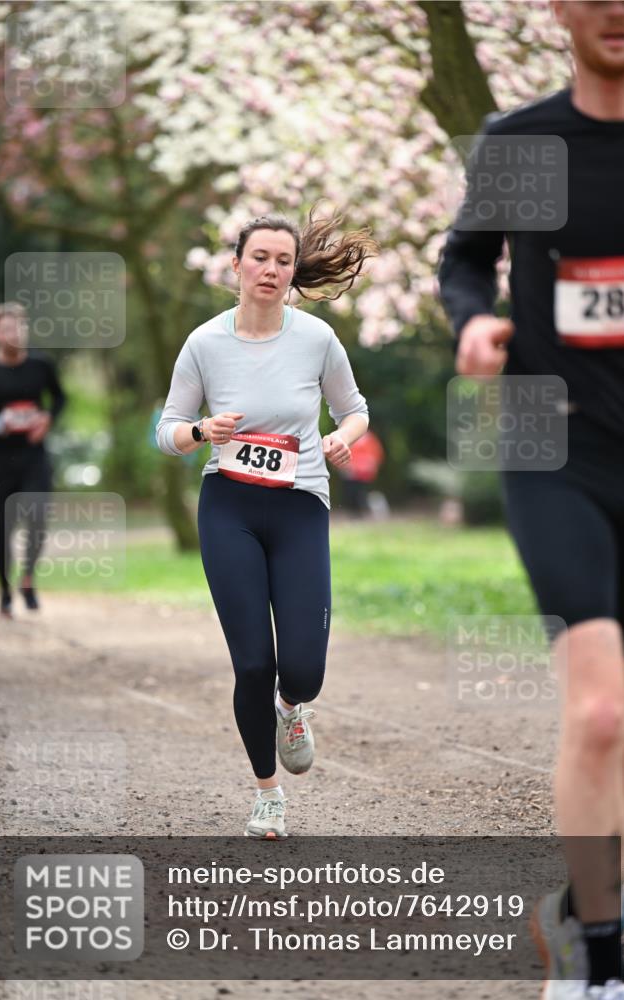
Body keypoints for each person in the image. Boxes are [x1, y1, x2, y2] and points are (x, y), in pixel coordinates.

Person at [439, 2, 624, 997]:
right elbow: (465, 259)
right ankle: (598, 961)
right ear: (559, 10)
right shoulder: (523, 143)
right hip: (551, 444)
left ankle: (585, 894)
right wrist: (474, 323)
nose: (616, 9)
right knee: (598, 712)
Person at [156, 208, 376, 838]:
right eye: (260, 258)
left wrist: (343, 439)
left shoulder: (316, 339)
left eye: (284, 260)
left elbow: (355, 411)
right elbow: (166, 430)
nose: (272, 270)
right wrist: (199, 431)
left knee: (303, 668)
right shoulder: (204, 343)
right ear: (237, 264)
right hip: (228, 504)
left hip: (301, 504)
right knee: (252, 662)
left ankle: (291, 708)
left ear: (293, 271)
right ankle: (267, 794)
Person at [0, 302, 66, 618]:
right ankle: (4, 593)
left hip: (33, 456)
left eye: (19, 327)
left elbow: (59, 397)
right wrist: (2, 422)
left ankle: (27, 580)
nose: (15, 333)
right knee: (3, 529)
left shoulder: (41, 364)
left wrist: (46, 420)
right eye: (7, 328)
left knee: (37, 519)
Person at [340, 428, 385, 516]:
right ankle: (354, 513)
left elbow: (377, 455)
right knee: (351, 493)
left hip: (365, 473)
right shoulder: (349, 437)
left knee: (362, 494)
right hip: (352, 472)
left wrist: (371, 465)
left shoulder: (369, 438)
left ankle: (365, 512)